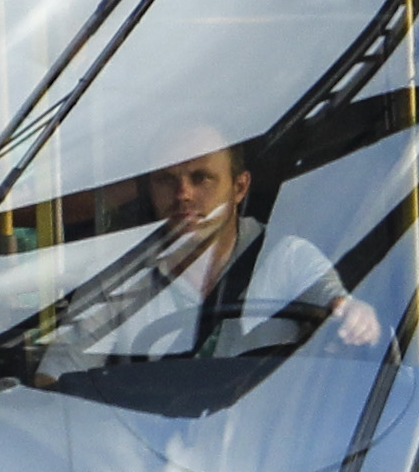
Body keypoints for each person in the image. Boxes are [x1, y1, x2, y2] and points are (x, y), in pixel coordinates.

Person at [36, 122, 389, 369]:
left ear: (239, 188)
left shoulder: (286, 259)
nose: (183, 194)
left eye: (200, 178)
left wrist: (355, 316)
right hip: (145, 458)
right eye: (166, 179)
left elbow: (334, 300)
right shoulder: (121, 271)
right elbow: (62, 370)